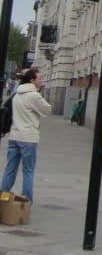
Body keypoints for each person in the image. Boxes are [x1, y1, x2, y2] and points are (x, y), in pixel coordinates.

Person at [0, 67, 52, 204]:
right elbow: (47, 110)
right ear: (32, 80)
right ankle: (26, 202)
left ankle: (3, 198)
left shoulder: (17, 94)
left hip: (15, 136)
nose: (42, 81)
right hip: (29, 137)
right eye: (40, 78)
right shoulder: (34, 95)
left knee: (10, 169)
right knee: (28, 171)